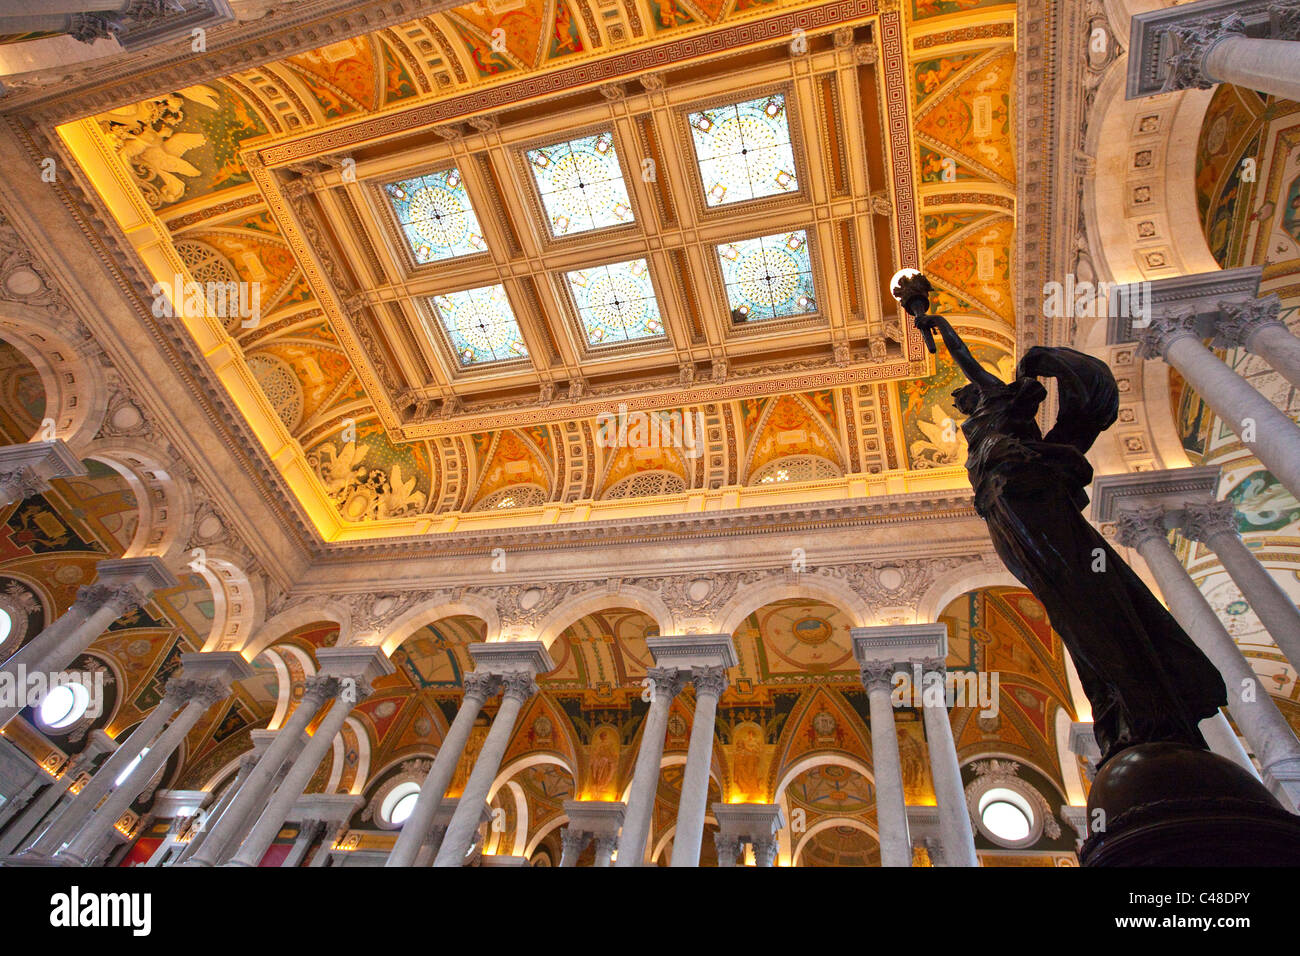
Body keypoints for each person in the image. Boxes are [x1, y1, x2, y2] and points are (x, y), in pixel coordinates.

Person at [914, 314, 1226, 764]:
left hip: (1021, 484)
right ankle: (1118, 711)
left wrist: (938, 322)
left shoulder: (997, 398)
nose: (960, 396)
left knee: (1076, 590)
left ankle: (1146, 705)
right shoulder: (983, 419)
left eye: (964, 392)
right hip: (997, 498)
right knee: (1062, 601)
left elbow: (964, 358)